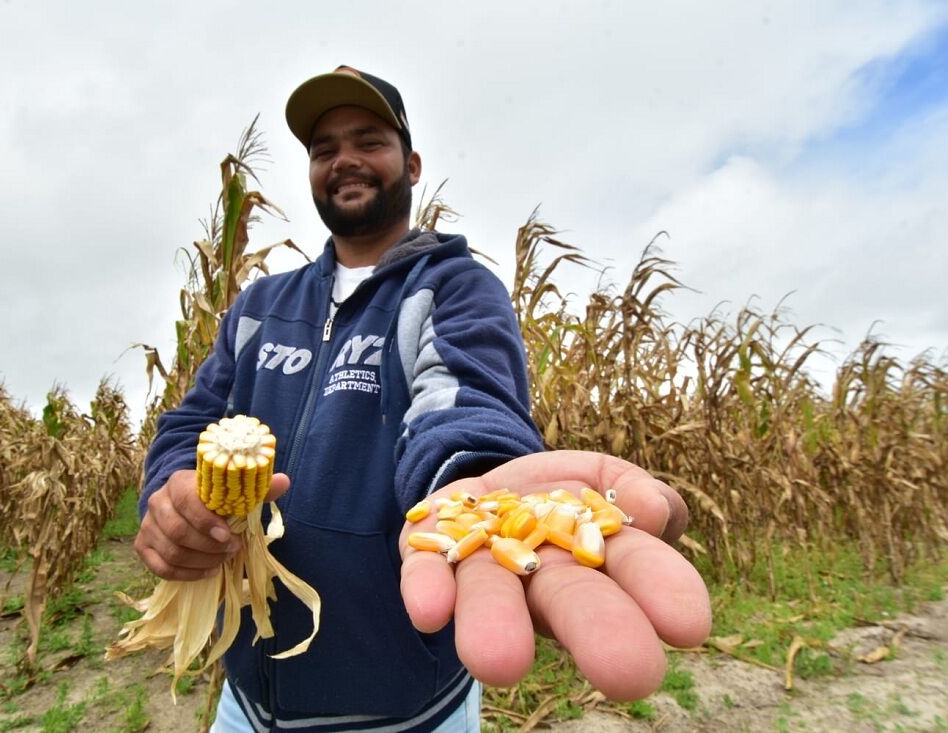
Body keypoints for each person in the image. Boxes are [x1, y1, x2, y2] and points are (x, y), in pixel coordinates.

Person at [136, 66, 711, 733]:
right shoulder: (261, 305)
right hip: (248, 704)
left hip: (408, 709)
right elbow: (196, 419)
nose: (344, 158)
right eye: (324, 149)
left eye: (368, 140)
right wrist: (172, 489)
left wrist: (474, 490)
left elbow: (461, 409)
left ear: (410, 164)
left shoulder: (453, 289)